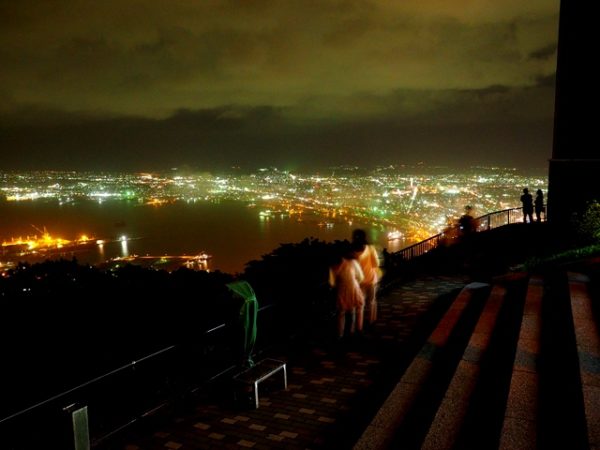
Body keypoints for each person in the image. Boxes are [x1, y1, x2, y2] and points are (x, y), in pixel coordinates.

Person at [329, 245, 365, 339]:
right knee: (353, 310)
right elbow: (361, 277)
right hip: (353, 288)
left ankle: (340, 334)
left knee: (341, 313)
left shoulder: (334, 266)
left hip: (341, 290)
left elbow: (332, 283)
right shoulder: (353, 263)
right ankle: (353, 331)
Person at [351, 229, 380, 326]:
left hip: (359, 281)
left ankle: (359, 325)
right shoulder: (370, 248)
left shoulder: (352, 251)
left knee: (360, 304)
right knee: (371, 301)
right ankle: (371, 321)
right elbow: (376, 263)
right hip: (371, 279)